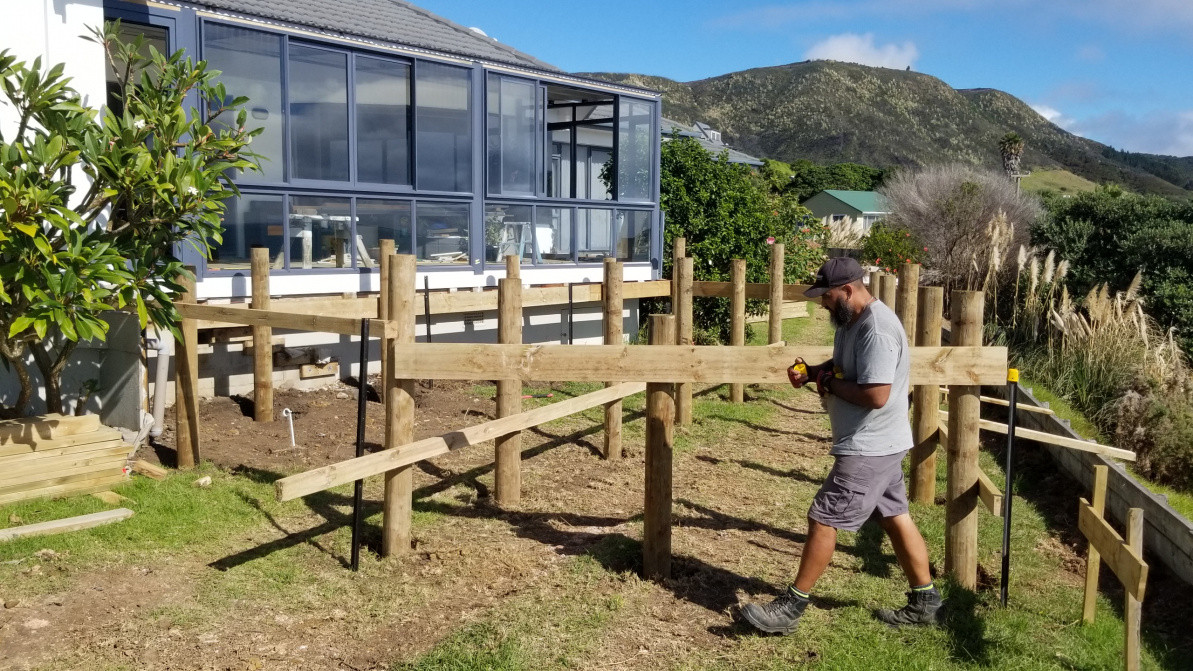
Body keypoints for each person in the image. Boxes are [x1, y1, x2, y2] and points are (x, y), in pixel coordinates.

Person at [740, 257, 944, 635]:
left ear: (848, 290)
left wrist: (829, 386)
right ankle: (926, 600)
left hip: (870, 445)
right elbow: (847, 367)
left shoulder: (877, 329)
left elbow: (877, 393)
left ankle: (791, 607)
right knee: (895, 516)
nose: (823, 303)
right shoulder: (852, 320)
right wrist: (817, 372)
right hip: (879, 443)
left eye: (828, 296)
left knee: (824, 517)